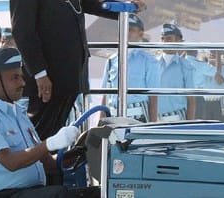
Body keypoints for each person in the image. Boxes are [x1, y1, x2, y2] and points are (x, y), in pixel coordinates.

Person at [0, 48, 96, 198]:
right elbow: (11, 162)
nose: (23, 83)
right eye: (15, 78)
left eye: (22, 77)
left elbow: (49, 164)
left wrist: (84, 151)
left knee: (98, 193)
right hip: (8, 194)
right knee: (60, 195)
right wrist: (51, 143)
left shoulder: (20, 115)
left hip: (33, 192)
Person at [11, 0, 145, 139]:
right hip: (47, 81)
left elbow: (91, 4)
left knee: (59, 139)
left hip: (72, 79)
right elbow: (22, 31)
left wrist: (128, 7)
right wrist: (40, 74)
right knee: (37, 136)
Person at [101, 14, 159, 122]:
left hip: (138, 117)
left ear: (140, 34)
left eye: (131, 29)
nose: (126, 32)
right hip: (113, 116)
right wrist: (101, 122)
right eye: (124, 28)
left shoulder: (149, 61)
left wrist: (152, 127)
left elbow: (153, 97)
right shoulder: (111, 60)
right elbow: (104, 95)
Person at [157, 23, 197, 121]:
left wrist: (189, 127)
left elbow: (191, 100)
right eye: (163, 38)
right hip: (154, 119)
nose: (165, 42)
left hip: (177, 118)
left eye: (169, 38)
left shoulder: (185, 66)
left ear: (178, 41)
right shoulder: (152, 64)